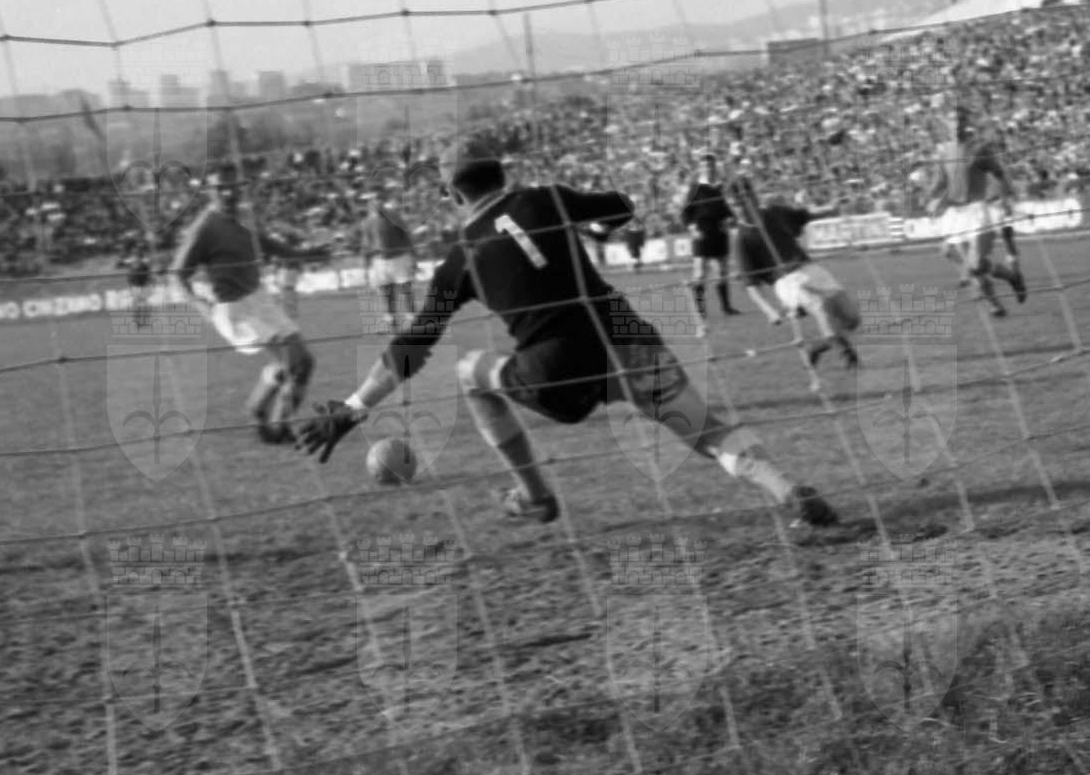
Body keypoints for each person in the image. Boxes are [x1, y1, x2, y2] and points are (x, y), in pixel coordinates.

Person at [295, 156, 837, 533]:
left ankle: (534, 496)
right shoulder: (546, 198)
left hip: (556, 367)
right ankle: (788, 489)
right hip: (627, 339)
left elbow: (413, 344)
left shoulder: (461, 257)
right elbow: (621, 207)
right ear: (504, 177)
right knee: (706, 430)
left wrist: (353, 407)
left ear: (456, 197)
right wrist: (589, 226)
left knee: (467, 372)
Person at [169, 169, 317, 444]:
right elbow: (177, 274)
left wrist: (302, 254)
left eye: (232, 187)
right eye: (220, 188)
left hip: (260, 298)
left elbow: (263, 243)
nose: (228, 193)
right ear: (209, 192)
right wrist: (200, 305)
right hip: (235, 308)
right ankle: (278, 429)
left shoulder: (244, 216)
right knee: (295, 362)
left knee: (302, 363)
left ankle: (260, 410)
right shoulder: (204, 227)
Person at [729, 176, 861, 389]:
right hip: (785, 281)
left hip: (810, 269)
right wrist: (769, 311)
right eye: (735, 204)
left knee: (852, 319)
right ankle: (847, 355)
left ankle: (817, 348)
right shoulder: (742, 239)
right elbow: (750, 285)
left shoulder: (775, 213)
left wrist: (832, 209)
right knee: (820, 305)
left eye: (743, 201)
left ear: (753, 197)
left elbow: (806, 215)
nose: (740, 208)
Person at [925, 108, 1029, 317]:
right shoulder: (944, 153)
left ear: (966, 124)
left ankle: (1011, 277)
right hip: (955, 215)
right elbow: (939, 184)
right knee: (973, 266)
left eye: (960, 120)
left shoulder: (979, 149)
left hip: (977, 211)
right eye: (952, 120)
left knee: (975, 264)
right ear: (946, 125)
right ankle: (997, 302)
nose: (956, 124)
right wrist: (930, 198)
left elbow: (1000, 174)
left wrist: (1007, 199)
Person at [679, 152, 742, 335]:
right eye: (705, 166)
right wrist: (692, 229)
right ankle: (701, 311)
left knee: (722, 272)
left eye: (711, 165)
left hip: (719, 233)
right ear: (701, 168)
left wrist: (730, 219)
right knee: (699, 273)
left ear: (715, 167)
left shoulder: (721, 187)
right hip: (701, 232)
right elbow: (685, 213)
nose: (708, 168)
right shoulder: (695, 188)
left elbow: (728, 210)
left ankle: (726, 307)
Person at [359, 190, 418, 331]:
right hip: (380, 261)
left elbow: (407, 237)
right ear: (370, 203)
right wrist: (365, 266)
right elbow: (366, 244)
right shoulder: (367, 222)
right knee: (386, 291)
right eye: (373, 200)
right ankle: (391, 318)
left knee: (406, 288)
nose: (376, 202)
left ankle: (411, 317)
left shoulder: (395, 217)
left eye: (378, 199)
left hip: (399, 258)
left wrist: (413, 258)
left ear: (382, 201)